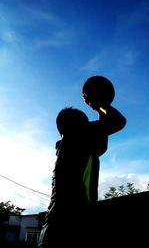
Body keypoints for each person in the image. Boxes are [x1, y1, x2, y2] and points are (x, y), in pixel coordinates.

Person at [37, 99, 126, 247]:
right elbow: (118, 121)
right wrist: (98, 103)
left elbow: (101, 145)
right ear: (78, 126)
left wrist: (98, 110)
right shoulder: (76, 139)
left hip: (57, 227)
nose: (91, 125)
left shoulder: (73, 145)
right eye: (87, 123)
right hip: (69, 226)